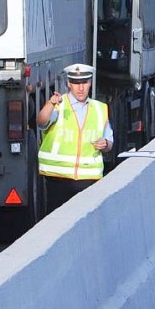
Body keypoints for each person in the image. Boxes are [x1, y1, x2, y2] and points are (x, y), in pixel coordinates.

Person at [37, 63, 113, 216]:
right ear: (69, 84)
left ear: (90, 83)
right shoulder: (58, 105)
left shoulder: (99, 108)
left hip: (88, 179)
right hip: (58, 179)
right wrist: (50, 103)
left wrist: (105, 144)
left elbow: (109, 141)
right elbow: (41, 121)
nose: (81, 88)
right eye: (76, 83)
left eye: (84, 83)